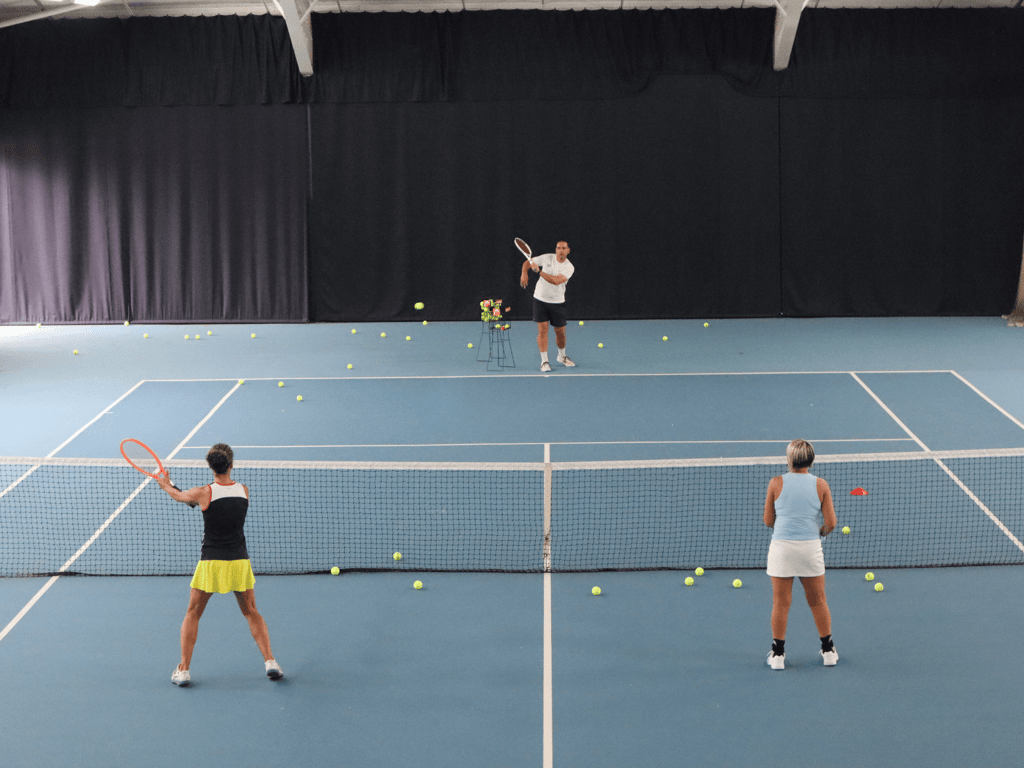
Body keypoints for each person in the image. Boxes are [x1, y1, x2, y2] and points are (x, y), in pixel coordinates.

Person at [156, 443, 283, 687]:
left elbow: (183, 497)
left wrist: (166, 485)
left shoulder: (203, 492)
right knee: (251, 611)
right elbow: (207, 503)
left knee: (193, 613)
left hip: (211, 564)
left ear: (211, 467)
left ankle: (183, 670)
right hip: (239, 562)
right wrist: (175, 488)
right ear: (231, 465)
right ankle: (271, 662)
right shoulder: (243, 491)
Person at [763, 439, 838, 670]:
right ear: (811, 460)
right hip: (809, 549)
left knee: (781, 603)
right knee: (818, 601)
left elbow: (768, 521)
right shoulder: (821, 484)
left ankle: (777, 655)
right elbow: (831, 523)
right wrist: (819, 533)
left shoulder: (776, 483)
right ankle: (828, 652)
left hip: (782, 549)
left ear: (789, 460)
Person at [520, 240, 575, 372]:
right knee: (542, 330)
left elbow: (556, 281)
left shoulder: (569, 267)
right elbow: (527, 263)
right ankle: (544, 361)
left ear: (568, 251)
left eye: (563, 248)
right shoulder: (547, 258)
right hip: (540, 299)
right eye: (558, 248)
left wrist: (539, 272)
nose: (560, 251)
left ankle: (562, 356)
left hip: (557, 302)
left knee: (560, 332)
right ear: (555, 250)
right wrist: (524, 273)